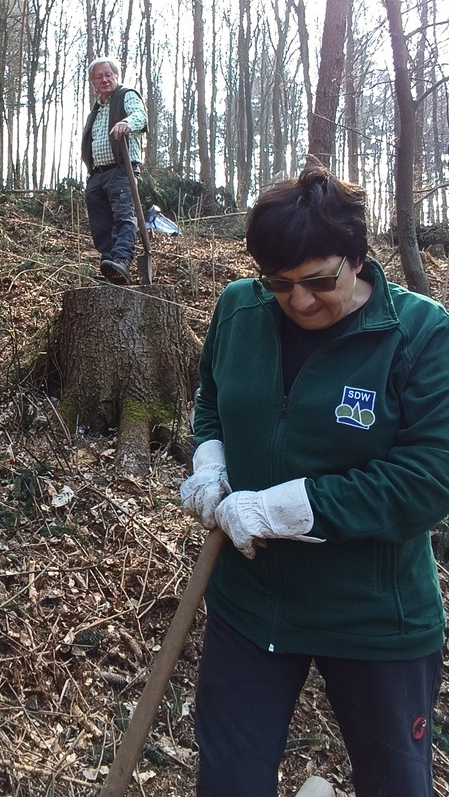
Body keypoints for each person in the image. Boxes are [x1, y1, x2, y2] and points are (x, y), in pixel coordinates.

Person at [180, 161, 449, 797]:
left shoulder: (419, 334)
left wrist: (282, 509)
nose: (298, 301)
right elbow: (212, 395)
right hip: (251, 607)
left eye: (318, 281)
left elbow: (428, 479)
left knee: (395, 783)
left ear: (356, 257)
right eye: (278, 283)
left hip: (374, 617)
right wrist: (211, 460)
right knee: (229, 782)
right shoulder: (239, 309)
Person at [81, 57, 147, 285]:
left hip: (121, 169)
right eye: (99, 77)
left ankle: (122, 261)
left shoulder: (126, 95)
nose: (104, 80)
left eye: (108, 75)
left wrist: (127, 123)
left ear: (116, 76)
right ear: (93, 83)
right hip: (97, 174)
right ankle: (109, 265)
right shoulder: (96, 110)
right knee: (100, 223)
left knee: (123, 216)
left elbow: (140, 116)